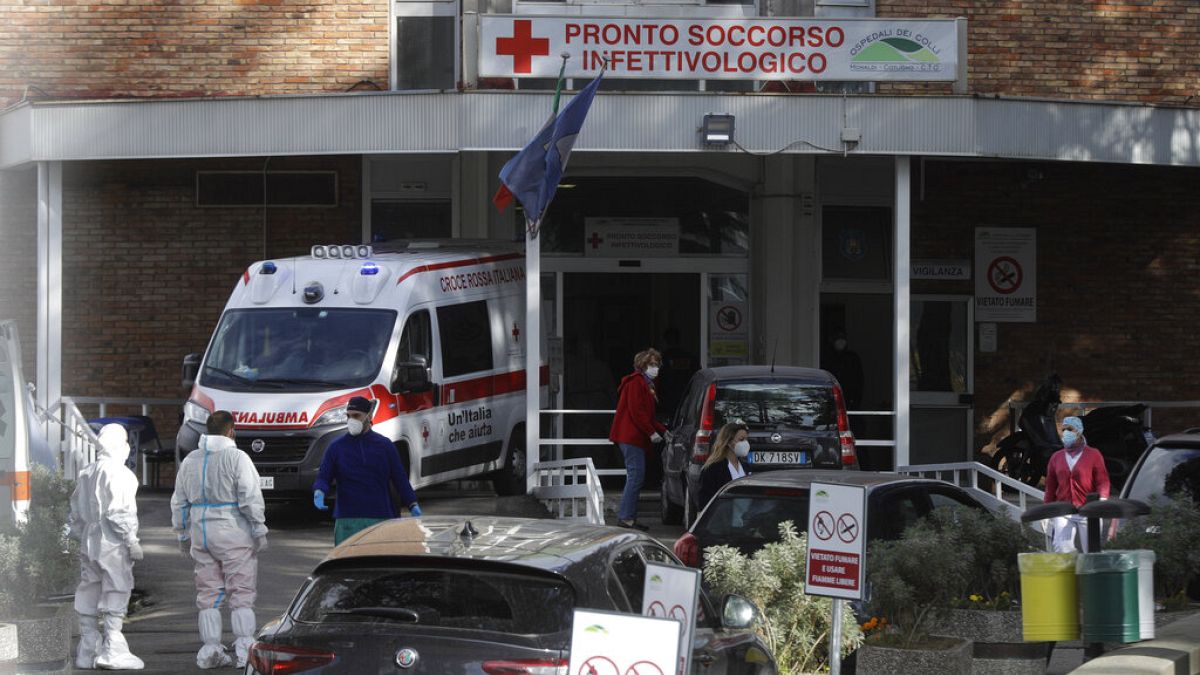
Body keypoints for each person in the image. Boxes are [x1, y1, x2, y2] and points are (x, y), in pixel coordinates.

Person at [171, 411, 268, 669]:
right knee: (241, 591)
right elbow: (250, 497)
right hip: (233, 530)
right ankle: (245, 649)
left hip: (201, 533)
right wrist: (259, 528)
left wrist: (181, 532)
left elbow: (179, 500)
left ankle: (211, 649)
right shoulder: (237, 458)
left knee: (208, 592)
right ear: (231, 431)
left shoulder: (191, 459)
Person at [68, 423, 145, 670]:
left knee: (89, 588)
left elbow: (76, 511)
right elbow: (120, 513)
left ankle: (88, 649)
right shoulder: (121, 474)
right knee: (116, 589)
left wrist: (77, 535)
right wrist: (132, 541)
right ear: (119, 445)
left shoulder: (87, 472)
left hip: (89, 539)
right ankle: (113, 651)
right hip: (112, 541)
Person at [313, 395, 421, 545]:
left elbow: (400, 478)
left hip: (379, 517)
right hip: (347, 519)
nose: (352, 420)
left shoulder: (384, 446)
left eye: (357, 416)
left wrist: (412, 503)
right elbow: (324, 475)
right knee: (347, 564)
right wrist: (319, 490)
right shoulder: (336, 447)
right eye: (348, 416)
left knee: (377, 563)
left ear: (369, 416)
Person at [608, 348, 668, 531]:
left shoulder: (646, 383)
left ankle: (630, 517)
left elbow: (647, 416)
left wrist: (664, 431)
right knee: (635, 476)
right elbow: (637, 412)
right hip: (630, 436)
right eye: (651, 364)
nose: (655, 367)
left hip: (633, 436)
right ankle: (626, 518)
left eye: (657, 364)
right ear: (642, 365)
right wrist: (652, 433)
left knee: (636, 476)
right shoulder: (636, 383)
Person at [1043, 415, 1111, 553]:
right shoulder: (1056, 457)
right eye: (1064, 430)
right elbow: (1050, 486)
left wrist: (1102, 500)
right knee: (1062, 549)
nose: (1066, 433)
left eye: (1070, 429)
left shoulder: (1093, 454)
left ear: (1079, 432)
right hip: (1063, 510)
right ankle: (1069, 573)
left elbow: (1102, 481)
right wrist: (1046, 510)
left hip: (1089, 509)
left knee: (1092, 551)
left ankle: (1089, 573)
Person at [698, 422, 750, 511]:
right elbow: (705, 501)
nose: (745, 443)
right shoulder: (713, 469)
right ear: (728, 441)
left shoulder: (746, 467)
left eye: (746, 440)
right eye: (741, 440)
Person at [821, 331, 864, 410]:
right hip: (830, 395)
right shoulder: (826, 358)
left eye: (843, 339)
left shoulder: (852, 358)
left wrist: (855, 399)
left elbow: (859, 379)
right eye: (838, 339)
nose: (841, 342)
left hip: (849, 397)